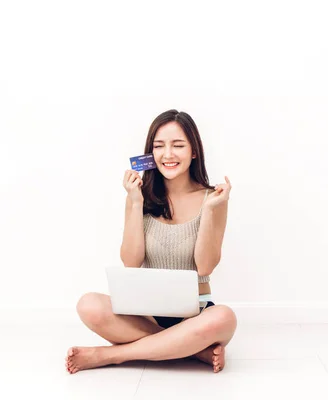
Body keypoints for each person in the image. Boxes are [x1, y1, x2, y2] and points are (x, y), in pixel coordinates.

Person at [65, 109, 237, 374]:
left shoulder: (213, 198)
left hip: (197, 315)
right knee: (88, 304)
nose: (168, 154)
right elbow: (130, 263)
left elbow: (204, 267)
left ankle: (113, 355)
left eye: (178, 145)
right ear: (150, 154)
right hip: (146, 315)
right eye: (159, 146)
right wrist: (135, 202)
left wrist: (210, 211)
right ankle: (189, 349)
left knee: (224, 318)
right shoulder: (139, 197)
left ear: (194, 151)